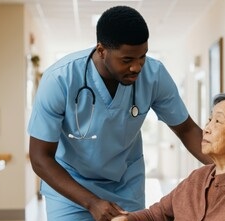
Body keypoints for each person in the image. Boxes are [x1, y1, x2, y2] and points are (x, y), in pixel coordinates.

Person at [27, 5, 210, 221]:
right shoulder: (59, 80)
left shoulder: (154, 75)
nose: (137, 67)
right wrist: (92, 202)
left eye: (142, 56)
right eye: (127, 60)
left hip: (125, 184)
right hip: (70, 186)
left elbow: (187, 129)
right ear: (102, 50)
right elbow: (40, 157)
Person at [112, 92, 225, 221]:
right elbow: (156, 214)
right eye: (209, 119)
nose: (207, 128)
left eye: (218, 121)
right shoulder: (198, 178)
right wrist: (127, 219)